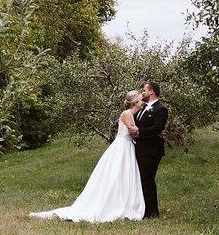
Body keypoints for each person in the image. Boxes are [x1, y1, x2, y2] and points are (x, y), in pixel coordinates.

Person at [31, 92, 145, 223]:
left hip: (128, 147)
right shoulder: (126, 114)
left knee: (126, 174)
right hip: (122, 147)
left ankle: (126, 201)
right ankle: (112, 203)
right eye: (141, 99)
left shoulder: (134, 114)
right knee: (117, 174)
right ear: (135, 101)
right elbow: (134, 131)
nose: (143, 101)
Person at [134, 79, 169, 217]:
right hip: (139, 149)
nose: (142, 92)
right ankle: (142, 209)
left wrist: (138, 132)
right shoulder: (142, 108)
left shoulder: (161, 109)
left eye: (144, 90)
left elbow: (157, 128)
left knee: (147, 178)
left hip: (151, 150)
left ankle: (152, 212)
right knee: (141, 179)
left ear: (151, 91)